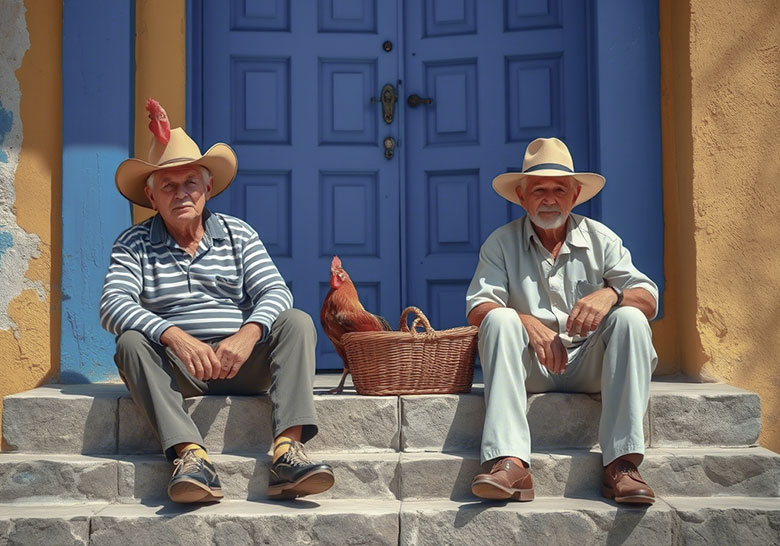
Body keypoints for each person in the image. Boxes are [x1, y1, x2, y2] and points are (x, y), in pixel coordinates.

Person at [101, 102, 334, 503]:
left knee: (296, 321)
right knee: (130, 343)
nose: (182, 194)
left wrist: (248, 333)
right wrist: (174, 336)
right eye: (168, 186)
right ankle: (191, 457)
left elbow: (276, 292)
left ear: (208, 189)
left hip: (243, 361)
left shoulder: (238, 233)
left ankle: (287, 453)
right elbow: (113, 304)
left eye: (191, 183)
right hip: (180, 368)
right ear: (151, 197)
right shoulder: (133, 243)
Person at [466, 137, 658, 505]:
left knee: (631, 319)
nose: (549, 198)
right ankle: (510, 462)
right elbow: (478, 307)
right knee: (500, 320)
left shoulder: (602, 239)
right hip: (531, 367)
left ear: (575, 195)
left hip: (591, 366)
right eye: (539, 190)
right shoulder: (500, 243)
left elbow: (649, 299)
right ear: (522, 197)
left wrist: (612, 294)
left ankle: (622, 465)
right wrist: (523, 319)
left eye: (559, 189)